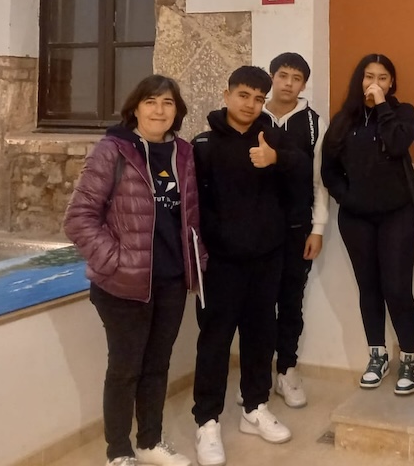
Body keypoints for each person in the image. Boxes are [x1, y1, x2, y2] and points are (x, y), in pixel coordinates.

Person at [64, 75, 202, 466]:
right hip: (123, 285)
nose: (159, 110)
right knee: (125, 370)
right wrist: (115, 261)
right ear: (136, 108)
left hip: (171, 281)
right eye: (151, 102)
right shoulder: (112, 151)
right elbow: (78, 218)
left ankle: (150, 441)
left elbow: (191, 216)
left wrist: (196, 262)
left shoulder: (184, 154)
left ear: (177, 111)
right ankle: (119, 451)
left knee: (157, 366)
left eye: (168, 103)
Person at [192, 66, 305, 466]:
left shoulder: (273, 137)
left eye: (259, 98)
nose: (251, 104)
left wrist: (276, 159)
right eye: (244, 95)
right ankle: (206, 421)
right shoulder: (203, 145)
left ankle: (254, 408)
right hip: (220, 264)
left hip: (266, 258)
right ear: (226, 95)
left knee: (261, 336)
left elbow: (303, 171)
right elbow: (194, 207)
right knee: (215, 341)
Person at [321, 53, 414, 395]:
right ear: (358, 79)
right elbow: (328, 169)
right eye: (368, 76)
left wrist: (382, 106)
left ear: (391, 83)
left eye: (382, 77)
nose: (374, 83)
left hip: (397, 214)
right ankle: (377, 355)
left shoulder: (403, 113)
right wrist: (346, 197)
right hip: (356, 218)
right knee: (369, 288)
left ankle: (409, 357)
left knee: (397, 288)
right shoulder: (344, 120)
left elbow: (397, 143)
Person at [263, 52, 329, 408]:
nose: (289, 83)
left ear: (304, 84)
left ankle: (286, 370)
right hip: (256, 229)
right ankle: (257, 376)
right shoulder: (254, 115)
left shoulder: (314, 124)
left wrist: (317, 228)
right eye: (283, 75)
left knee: (290, 302)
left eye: (297, 78)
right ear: (272, 76)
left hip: (297, 227)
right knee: (258, 304)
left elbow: (320, 181)